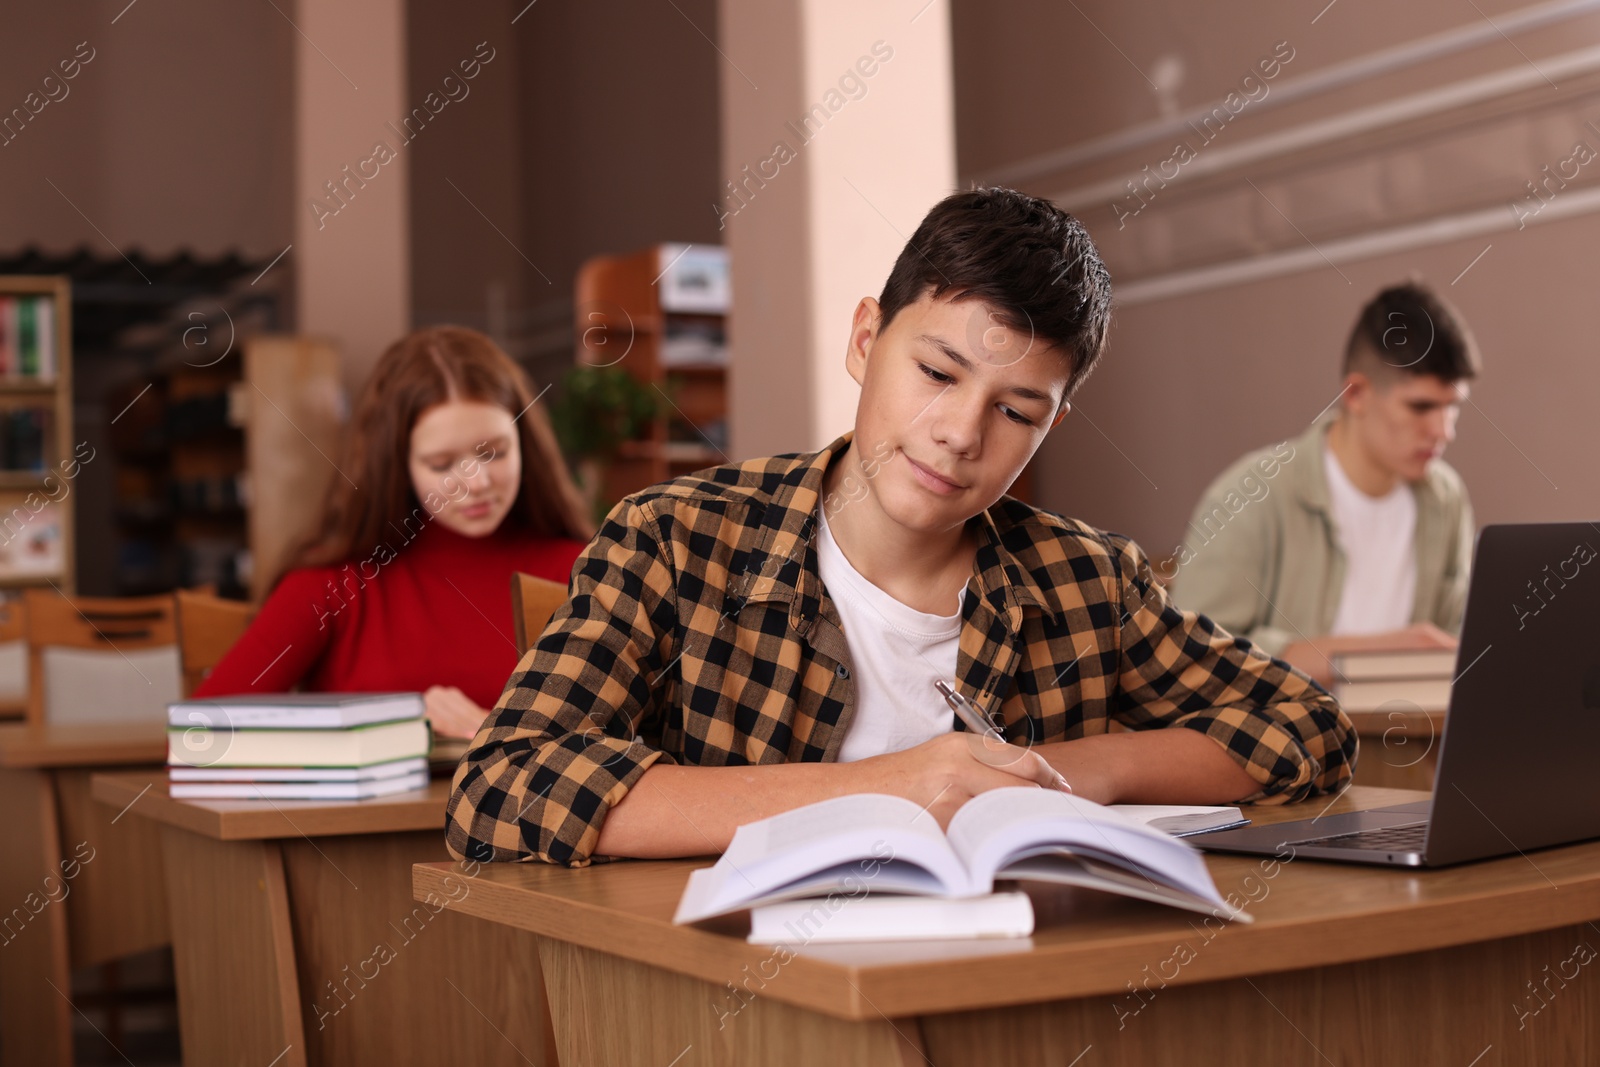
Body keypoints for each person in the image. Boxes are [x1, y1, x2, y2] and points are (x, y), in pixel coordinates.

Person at [447, 188, 1354, 868]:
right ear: (864, 338)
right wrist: (887, 788)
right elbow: (500, 786)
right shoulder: (673, 541)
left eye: (1016, 411)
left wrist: (1076, 766)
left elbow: (1305, 726)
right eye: (936, 371)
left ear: (1051, 426)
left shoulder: (1085, 580)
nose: (961, 432)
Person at [196, 326, 593, 738]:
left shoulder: (585, 572)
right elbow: (200, 738)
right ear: (398, 468)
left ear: (525, 441)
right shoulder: (334, 585)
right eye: (441, 464)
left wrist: (494, 733)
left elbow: (640, 745)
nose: (475, 483)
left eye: (495, 452)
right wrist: (391, 726)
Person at [1174, 283, 1478, 686]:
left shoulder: (1446, 498)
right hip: (1288, 737)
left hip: (1410, 734)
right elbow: (1191, 658)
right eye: (1421, 406)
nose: (1444, 430)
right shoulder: (1251, 493)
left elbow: (1455, 644)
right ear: (1356, 394)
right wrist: (1390, 651)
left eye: (1453, 407)